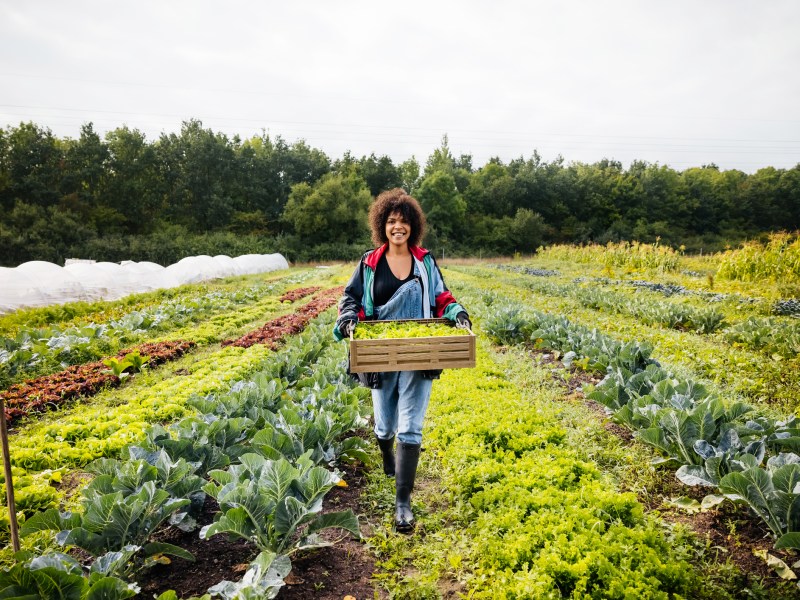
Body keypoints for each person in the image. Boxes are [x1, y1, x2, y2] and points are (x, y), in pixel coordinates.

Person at [333, 188, 471, 533]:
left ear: (413, 226)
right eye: (392, 221)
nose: (398, 227)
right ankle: (385, 452)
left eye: (404, 222)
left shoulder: (424, 261)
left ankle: (403, 503)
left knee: (411, 425)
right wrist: (349, 321)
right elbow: (349, 299)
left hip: (419, 352)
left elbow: (441, 296)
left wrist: (457, 312)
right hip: (380, 354)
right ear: (383, 225)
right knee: (385, 423)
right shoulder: (369, 263)